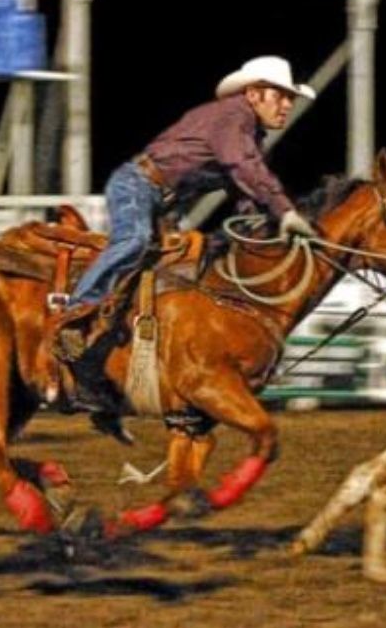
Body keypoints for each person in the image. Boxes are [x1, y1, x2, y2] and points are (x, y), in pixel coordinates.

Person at [50, 55, 318, 423]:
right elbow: (244, 168)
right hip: (137, 185)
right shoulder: (233, 117)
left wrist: (261, 226)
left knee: (176, 273)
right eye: (281, 96)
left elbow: (244, 188)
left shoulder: (247, 133)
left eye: (291, 98)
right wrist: (285, 211)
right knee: (134, 240)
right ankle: (76, 311)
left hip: (162, 201)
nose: (287, 105)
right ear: (254, 95)